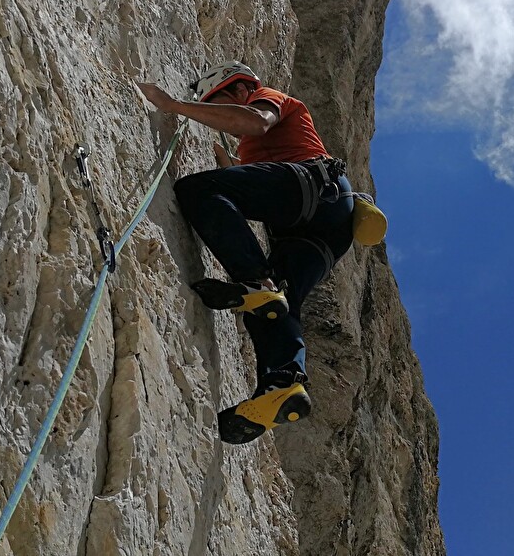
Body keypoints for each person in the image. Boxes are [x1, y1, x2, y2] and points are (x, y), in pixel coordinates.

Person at [137, 61, 354, 444]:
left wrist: (173, 106)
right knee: (275, 303)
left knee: (198, 190)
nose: (217, 117)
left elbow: (257, 121)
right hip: (326, 227)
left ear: (239, 90)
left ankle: (255, 280)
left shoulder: (266, 97)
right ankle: (282, 385)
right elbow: (262, 175)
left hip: (312, 192)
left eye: (218, 104)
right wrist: (236, 166)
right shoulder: (259, 151)